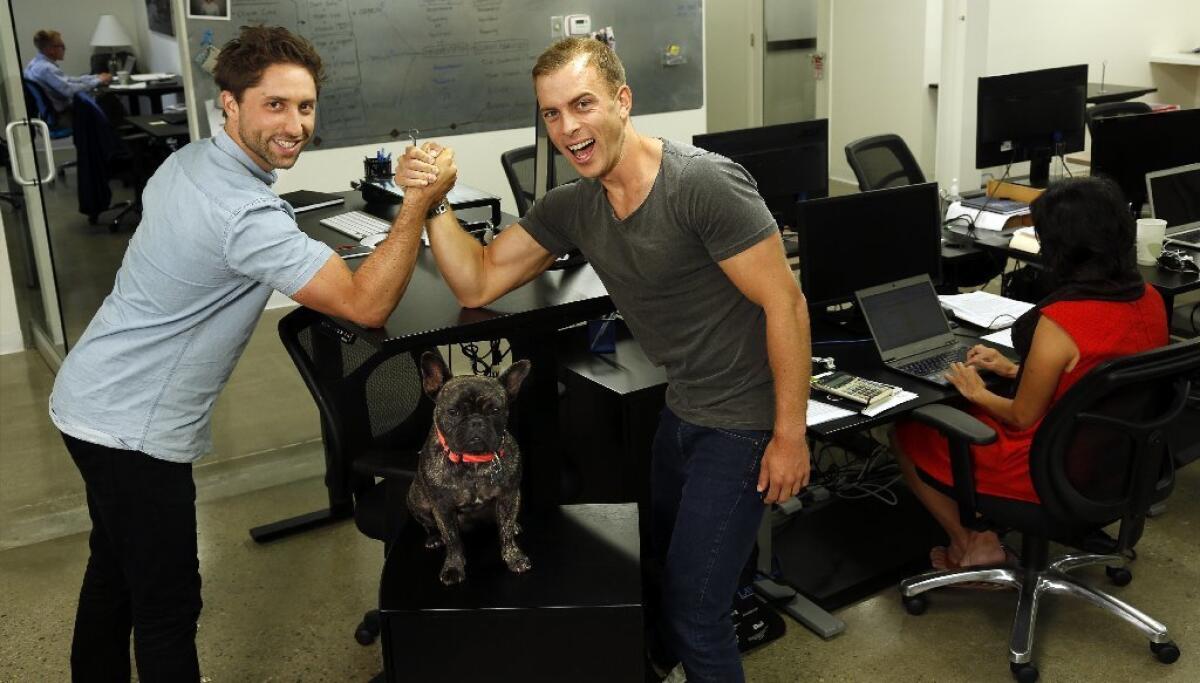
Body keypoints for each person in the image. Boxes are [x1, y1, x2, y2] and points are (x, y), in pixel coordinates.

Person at [396, 36, 812, 683]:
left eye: (582, 104)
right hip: (682, 411)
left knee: (694, 611)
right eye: (552, 114)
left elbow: (786, 304)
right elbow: (475, 281)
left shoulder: (701, 185)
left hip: (742, 419)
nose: (568, 128)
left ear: (622, 100)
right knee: (672, 576)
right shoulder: (577, 206)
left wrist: (789, 434)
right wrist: (433, 200)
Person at [48, 25, 455, 681]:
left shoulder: (189, 162)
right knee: (167, 607)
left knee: (116, 568)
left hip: (88, 397)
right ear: (230, 105)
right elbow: (365, 305)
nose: (295, 124)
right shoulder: (242, 214)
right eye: (275, 105)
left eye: (304, 106)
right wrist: (417, 203)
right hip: (131, 428)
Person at [892, 176, 1168, 571]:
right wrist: (1013, 369)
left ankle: (971, 544)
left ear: (1061, 249)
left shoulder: (1061, 321)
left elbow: (1022, 416)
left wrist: (977, 391)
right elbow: (1093, 376)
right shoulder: (1150, 298)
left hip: (1045, 469)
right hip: (1116, 460)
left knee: (908, 430)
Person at [23, 30, 112, 124]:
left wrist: (96, 77)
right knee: (106, 102)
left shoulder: (35, 64)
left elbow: (68, 80)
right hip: (63, 116)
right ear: (51, 49)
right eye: (62, 46)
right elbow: (69, 90)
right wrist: (97, 82)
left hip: (53, 113)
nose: (65, 49)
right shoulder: (46, 69)